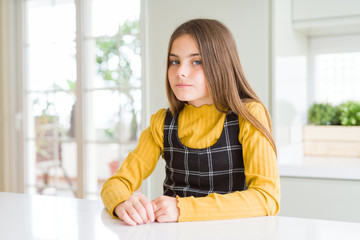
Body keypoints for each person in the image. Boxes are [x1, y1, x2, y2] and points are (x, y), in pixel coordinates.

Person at [101, 18, 280, 226]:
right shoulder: (162, 122)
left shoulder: (249, 115)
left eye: (196, 61)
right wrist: (122, 202)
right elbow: (116, 182)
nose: (180, 72)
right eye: (174, 61)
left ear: (221, 64)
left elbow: (266, 198)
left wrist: (181, 208)